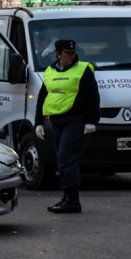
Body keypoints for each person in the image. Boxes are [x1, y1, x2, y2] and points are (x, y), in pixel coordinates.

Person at [34, 39, 100, 214]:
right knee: (62, 160)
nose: (70, 55)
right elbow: (43, 96)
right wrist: (39, 122)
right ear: (58, 54)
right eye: (66, 53)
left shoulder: (83, 69)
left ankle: (72, 200)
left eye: (72, 52)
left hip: (75, 120)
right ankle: (67, 197)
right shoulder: (50, 71)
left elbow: (92, 95)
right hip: (56, 121)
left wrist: (92, 120)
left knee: (66, 159)